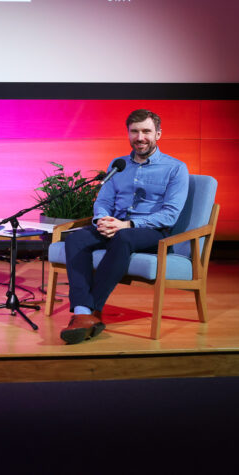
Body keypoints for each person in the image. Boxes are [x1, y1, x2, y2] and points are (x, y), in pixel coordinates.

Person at [59, 109, 189, 344]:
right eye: (135, 131)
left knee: (124, 238)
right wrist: (102, 220)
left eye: (147, 131)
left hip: (150, 231)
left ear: (158, 133)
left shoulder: (176, 168)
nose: (140, 137)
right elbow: (104, 200)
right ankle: (83, 312)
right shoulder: (118, 165)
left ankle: (92, 309)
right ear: (128, 134)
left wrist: (126, 224)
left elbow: (169, 215)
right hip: (115, 225)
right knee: (75, 239)